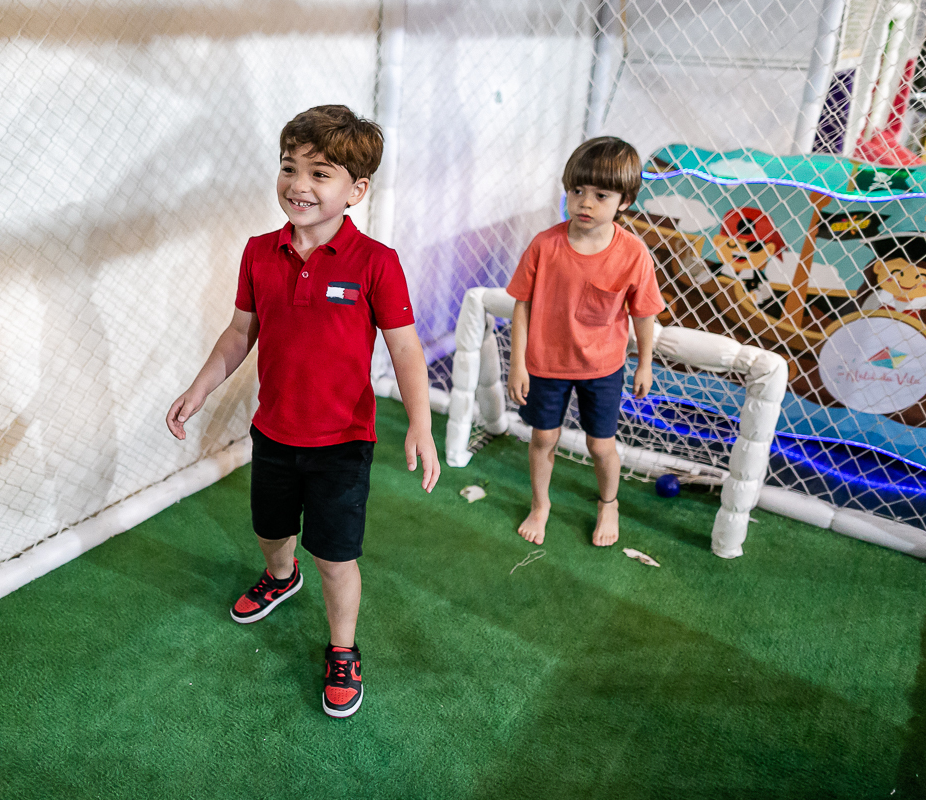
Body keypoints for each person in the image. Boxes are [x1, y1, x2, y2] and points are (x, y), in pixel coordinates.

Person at [165, 105, 440, 718]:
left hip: (344, 440)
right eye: (290, 167)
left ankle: (343, 649)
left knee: (336, 557)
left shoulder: (376, 262)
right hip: (274, 432)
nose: (299, 184)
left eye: (320, 174)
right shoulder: (259, 252)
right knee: (270, 529)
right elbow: (240, 333)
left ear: (356, 190)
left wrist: (420, 423)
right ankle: (280, 576)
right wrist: (200, 387)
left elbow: (406, 349)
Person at [506, 137, 663, 548]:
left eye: (600, 195)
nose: (585, 203)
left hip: (604, 367)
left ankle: (608, 502)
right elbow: (521, 305)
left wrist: (644, 363)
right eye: (577, 191)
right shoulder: (544, 244)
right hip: (544, 364)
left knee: (600, 444)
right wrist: (517, 363)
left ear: (624, 201)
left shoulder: (633, 254)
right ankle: (541, 505)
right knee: (543, 438)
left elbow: (644, 314)